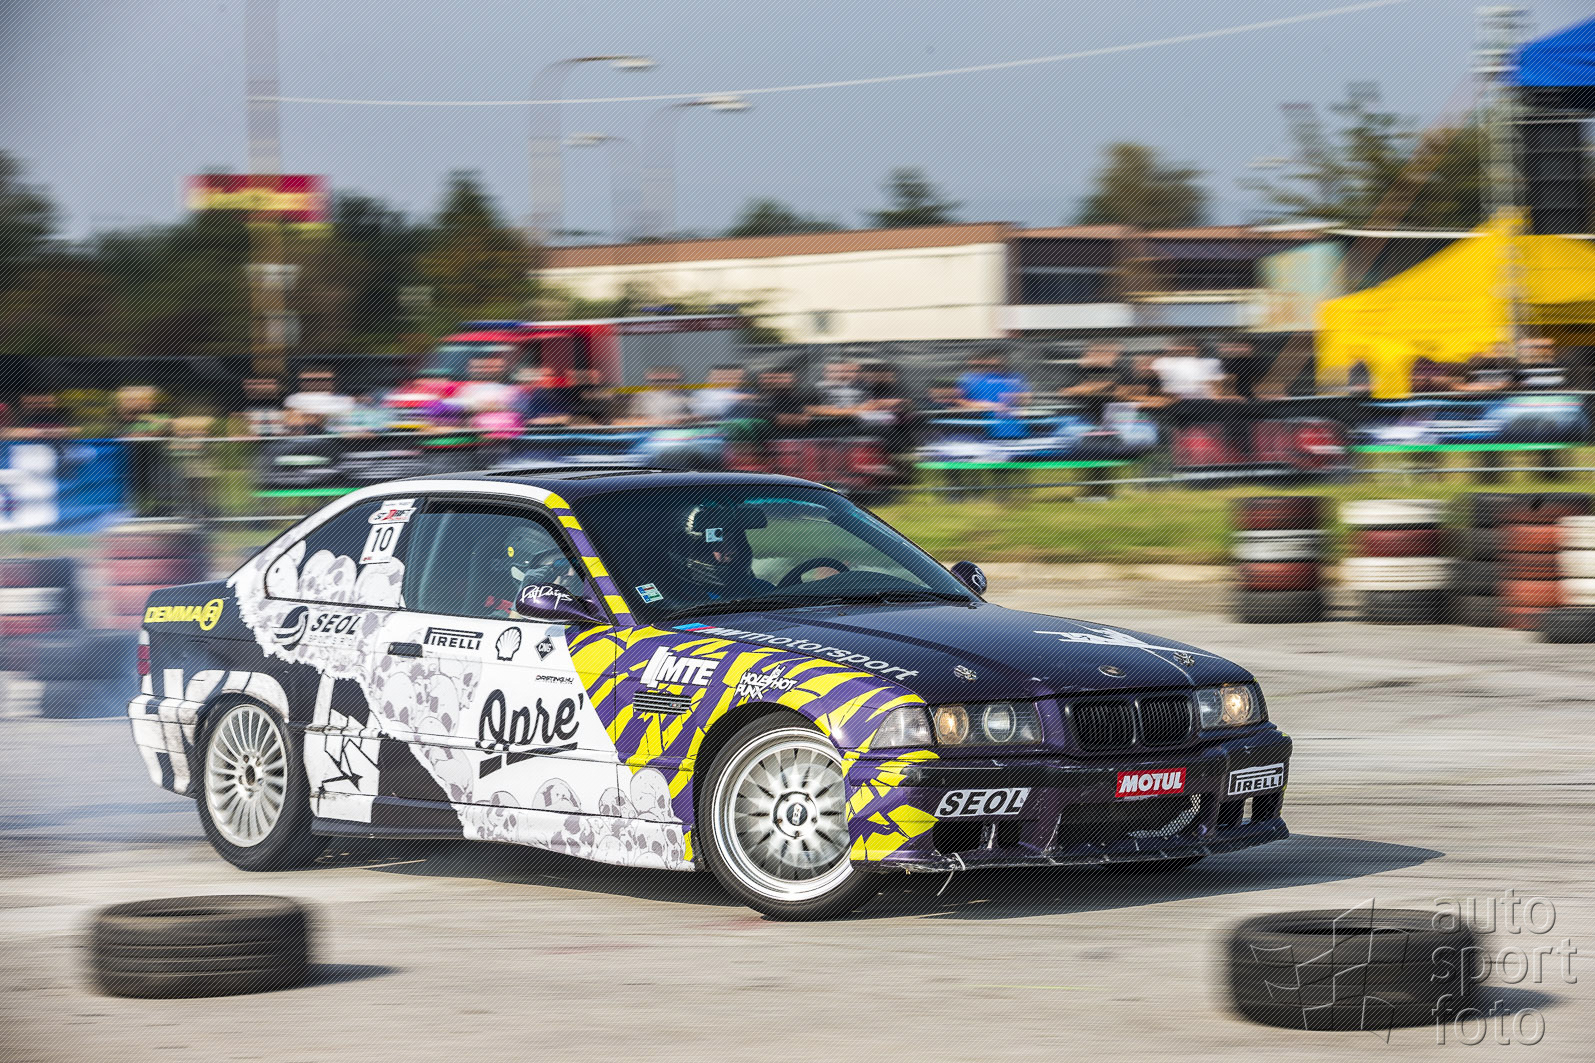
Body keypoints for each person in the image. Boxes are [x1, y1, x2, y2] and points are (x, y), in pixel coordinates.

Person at [665, 502, 775, 601]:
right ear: (687, 549)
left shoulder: (763, 590)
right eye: (716, 541)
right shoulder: (674, 600)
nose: (731, 550)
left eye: (735, 540)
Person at [956, 351, 1030, 440]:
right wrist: (989, 406)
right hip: (984, 433)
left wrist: (1017, 400)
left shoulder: (1014, 377)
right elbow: (959, 401)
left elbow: (1026, 399)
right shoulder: (970, 379)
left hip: (1018, 430)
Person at [284, 368, 355, 433]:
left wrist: (308, 417)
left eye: (323, 379)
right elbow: (292, 422)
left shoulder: (344, 399)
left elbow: (344, 422)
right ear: (301, 382)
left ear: (333, 381)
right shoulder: (293, 399)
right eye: (309, 380)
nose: (315, 382)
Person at [625, 365, 693, 426]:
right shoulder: (642, 396)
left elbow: (690, 415)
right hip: (653, 432)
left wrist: (689, 419)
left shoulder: (683, 394)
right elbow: (633, 420)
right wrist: (669, 422)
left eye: (674, 380)